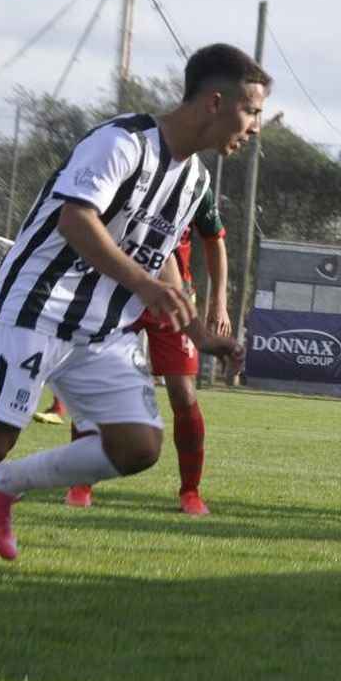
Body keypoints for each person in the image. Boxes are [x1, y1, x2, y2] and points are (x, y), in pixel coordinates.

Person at [0, 43, 258, 582]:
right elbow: (76, 221)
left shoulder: (195, 182)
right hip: (35, 307)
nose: (255, 126)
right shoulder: (120, 142)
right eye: (251, 110)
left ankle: (3, 487)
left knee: (138, 446)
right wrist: (142, 282)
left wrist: (198, 331)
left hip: (101, 330)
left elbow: (160, 253)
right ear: (216, 101)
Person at [65, 186, 231, 515]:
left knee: (183, 394)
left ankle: (190, 492)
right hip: (116, 295)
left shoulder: (196, 183)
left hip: (173, 299)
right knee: (97, 386)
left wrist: (219, 302)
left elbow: (214, 240)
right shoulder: (130, 169)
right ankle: (80, 484)